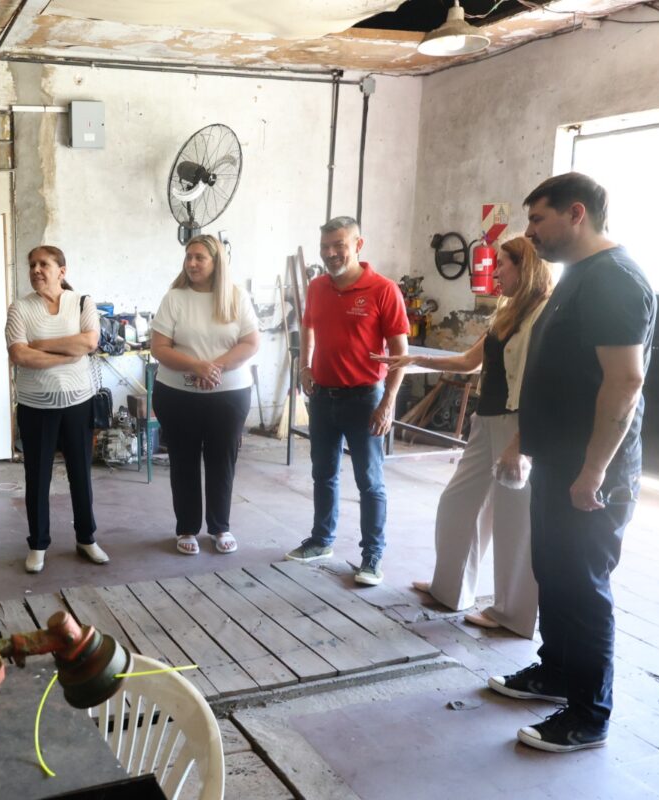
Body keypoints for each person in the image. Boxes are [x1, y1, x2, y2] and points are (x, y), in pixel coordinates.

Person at [487, 173, 655, 753]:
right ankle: (555, 671)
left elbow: (624, 381)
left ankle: (588, 714)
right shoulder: (579, 275)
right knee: (554, 573)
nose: (530, 232)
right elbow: (556, 376)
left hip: (591, 470)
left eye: (538, 219)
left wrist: (594, 471)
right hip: (559, 462)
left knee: (582, 587)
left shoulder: (614, 279)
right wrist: (526, 442)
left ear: (576, 213)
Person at [374, 237, 552, 636]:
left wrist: (521, 443)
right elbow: (472, 361)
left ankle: (514, 614)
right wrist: (417, 358)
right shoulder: (507, 311)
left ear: (524, 267)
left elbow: (541, 382)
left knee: (513, 520)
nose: (495, 272)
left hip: (515, 423)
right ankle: (450, 589)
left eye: (502, 265)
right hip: (485, 420)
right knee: (457, 502)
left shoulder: (542, 313)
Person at [284, 216, 409, 586]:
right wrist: (305, 367)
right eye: (325, 247)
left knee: (369, 480)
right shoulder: (317, 287)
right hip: (322, 397)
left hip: (364, 399)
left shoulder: (383, 290)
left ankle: (372, 557)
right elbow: (308, 326)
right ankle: (321, 541)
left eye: (339, 245)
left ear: (358, 244)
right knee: (323, 473)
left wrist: (387, 403)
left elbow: (400, 354)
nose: (331, 253)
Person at [150, 234, 259, 556]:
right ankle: (186, 528)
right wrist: (196, 366)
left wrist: (214, 368)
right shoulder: (175, 298)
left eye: (200, 257)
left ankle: (220, 526)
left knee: (222, 460)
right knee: (183, 461)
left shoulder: (236, 297)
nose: (192, 263)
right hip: (177, 395)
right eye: (189, 257)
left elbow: (251, 342)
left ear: (216, 262)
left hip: (229, 394)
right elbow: (159, 347)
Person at [5, 245, 108, 574]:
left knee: (81, 473)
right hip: (36, 405)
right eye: (31, 264)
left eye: (43, 264)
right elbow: (19, 355)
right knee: (37, 476)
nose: (36, 270)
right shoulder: (20, 308)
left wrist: (41, 346)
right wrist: (67, 354)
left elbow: (89, 343)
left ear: (61, 271)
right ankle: (38, 545)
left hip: (78, 403)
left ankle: (86, 538)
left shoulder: (82, 303)